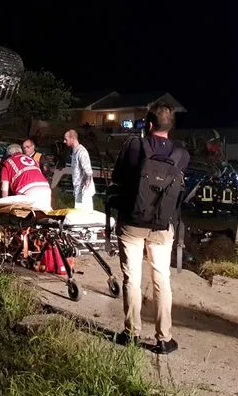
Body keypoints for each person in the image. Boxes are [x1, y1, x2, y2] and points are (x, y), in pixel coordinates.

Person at [110, 102, 189, 355]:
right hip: (162, 225)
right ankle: (164, 338)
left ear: (149, 124)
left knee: (132, 278)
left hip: (132, 223)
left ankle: (132, 333)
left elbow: (116, 178)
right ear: (170, 127)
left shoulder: (134, 146)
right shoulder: (181, 154)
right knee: (161, 279)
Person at [0, 144, 53, 211]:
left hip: (27, 192)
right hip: (46, 190)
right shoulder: (32, 159)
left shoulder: (8, 162)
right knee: (46, 213)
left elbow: (4, 187)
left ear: (8, 154)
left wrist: (3, 205)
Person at [63, 129, 95, 209]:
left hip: (83, 191)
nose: (64, 141)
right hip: (79, 190)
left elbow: (88, 171)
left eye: (66, 139)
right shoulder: (75, 151)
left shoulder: (81, 152)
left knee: (83, 214)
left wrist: (85, 187)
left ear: (72, 139)